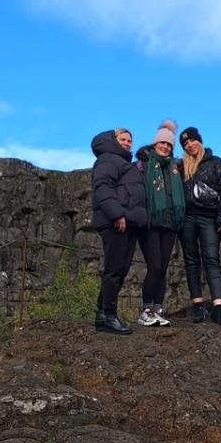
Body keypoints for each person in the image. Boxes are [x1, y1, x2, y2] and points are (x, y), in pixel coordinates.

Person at [91, 127, 147, 334]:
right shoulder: (109, 159)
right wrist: (117, 214)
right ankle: (109, 315)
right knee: (115, 269)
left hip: (126, 221)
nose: (127, 143)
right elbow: (103, 187)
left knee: (119, 269)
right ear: (113, 140)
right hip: (116, 222)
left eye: (130, 140)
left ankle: (103, 314)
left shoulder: (121, 162)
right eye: (123, 139)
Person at [179, 126, 221, 325]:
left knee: (211, 259)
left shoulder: (215, 163)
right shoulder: (181, 166)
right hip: (187, 219)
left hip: (209, 218)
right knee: (191, 260)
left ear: (199, 141)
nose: (189, 145)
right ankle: (198, 305)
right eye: (185, 143)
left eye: (192, 140)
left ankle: (219, 306)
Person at [135, 119, 186, 326]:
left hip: (170, 223)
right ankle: (146, 310)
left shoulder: (174, 167)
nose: (165, 147)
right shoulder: (144, 164)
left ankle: (157, 309)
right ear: (154, 144)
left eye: (169, 145)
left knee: (163, 268)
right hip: (150, 223)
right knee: (154, 266)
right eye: (162, 143)